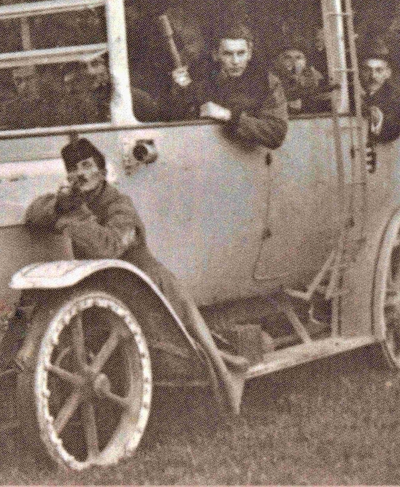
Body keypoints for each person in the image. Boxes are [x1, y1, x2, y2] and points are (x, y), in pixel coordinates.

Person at [25, 136, 249, 413]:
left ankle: (229, 381)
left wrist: (72, 216)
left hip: (151, 290)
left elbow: (108, 247)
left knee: (194, 354)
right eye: (73, 169)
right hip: (115, 291)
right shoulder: (72, 201)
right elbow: (34, 213)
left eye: (86, 165)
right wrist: (59, 206)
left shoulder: (120, 205)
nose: (80, 174)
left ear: (103, 173)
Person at [169, 23, 288, 148]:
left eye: (241, 53)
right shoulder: (200, 80)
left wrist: (228, 116)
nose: (235, 61)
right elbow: (174, 126)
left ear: (250, 54)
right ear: (216, 55)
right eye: (228, 54)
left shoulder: (267, 82)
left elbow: (276, 132)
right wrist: (179, 91)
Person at [359, 39, 400, 143]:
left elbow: (392, 133)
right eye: (367, 70)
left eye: (379, 70)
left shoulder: (396, 96)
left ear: (388, 73)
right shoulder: (350, 94)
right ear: (359, 72)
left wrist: (378, 120)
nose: (373, 76)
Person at [273, 36, 330, 114]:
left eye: (298, 58)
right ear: (277, 62)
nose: (293, 61)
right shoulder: (272, 80)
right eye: (287, 57)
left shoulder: (315, 77)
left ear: (305, 61)